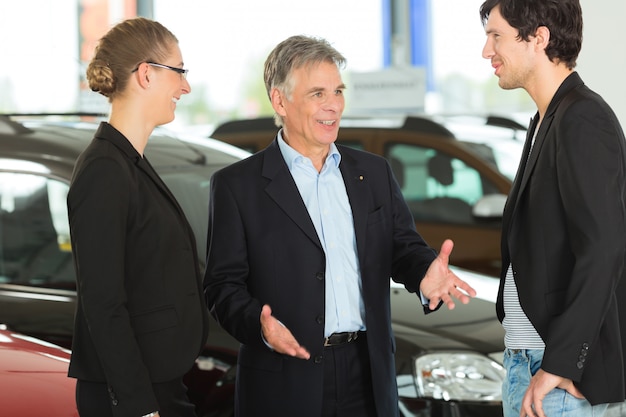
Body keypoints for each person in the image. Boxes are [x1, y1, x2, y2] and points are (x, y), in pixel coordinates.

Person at [204, 34, 477, 417]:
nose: (333, 105)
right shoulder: (237, 186)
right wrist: (259, 327)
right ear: (279, 101)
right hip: (285, 378)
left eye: (337, 91)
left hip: (367, 373)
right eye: (317, 93)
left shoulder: (373, 172)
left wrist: (424, 274)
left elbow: (403, 248)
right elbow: (221, 287)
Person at [480, 1, 626, 416]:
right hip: (533, 364)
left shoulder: (582, 119)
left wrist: (561, 362)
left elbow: (604, 249)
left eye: (497, 36)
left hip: (557, 376)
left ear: (539, 38)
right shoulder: (548, 118)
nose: (486, 51)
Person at [67, 17, 208, 417]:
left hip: (156, 380)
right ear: (146, 74)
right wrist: (138, 406)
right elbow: (103, 303)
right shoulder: (105, 169)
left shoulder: (128, 163)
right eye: (179, 71)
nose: (186, 86)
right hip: (133, 395)